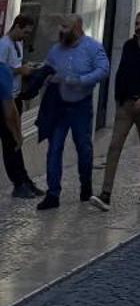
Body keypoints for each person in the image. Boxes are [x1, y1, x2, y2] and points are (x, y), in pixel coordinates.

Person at [95, 8, 140, 208]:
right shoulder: (129, 46)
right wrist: (119, 98)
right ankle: (105, 193)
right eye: (137, 23)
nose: (139, 27)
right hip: (126, 104)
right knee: (114, 145)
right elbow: (122, 71)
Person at [35, 13, 109, 209]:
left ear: (77, 28)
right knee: (54, 148)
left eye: (65, 27)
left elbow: (103, 69)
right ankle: (53, 194)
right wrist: (43, 75)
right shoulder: (56, 49)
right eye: (61, 26)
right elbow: (47, 67)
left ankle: (86, 187)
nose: (61, 30)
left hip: (80, 105)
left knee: (83, 147)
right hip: (58, 105)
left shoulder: (92, 47)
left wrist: (80, 80)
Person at [0, 46, 38, 197]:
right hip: (5, 111)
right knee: (12, 144)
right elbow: (10, 111)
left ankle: (23, 180)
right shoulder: (3, 71)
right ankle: (19, 183)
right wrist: (18, 134)